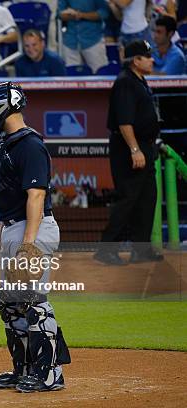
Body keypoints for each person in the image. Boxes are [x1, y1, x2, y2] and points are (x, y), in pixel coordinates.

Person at [0, 82, 71, 392]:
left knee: (33, 300)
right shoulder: (6, 142)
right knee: (9, 302)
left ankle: (50, 373)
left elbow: (35, 197)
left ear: (7, 108)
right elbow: (9, 199)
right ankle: (25, 369)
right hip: (14, 227)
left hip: (35, 227)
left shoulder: (30, 144)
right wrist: (5, 236)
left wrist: (28, 244)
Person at [94, 40, 164, 265]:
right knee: (128, 199)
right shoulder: (125, 82)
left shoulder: (139, 80)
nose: (152, 59)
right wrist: (135, 150)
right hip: (128, 148)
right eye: (147, 56)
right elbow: (124, 122)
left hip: (145, 145)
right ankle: (106, 250)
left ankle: (140, 249)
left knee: (147, 198)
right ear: (136, 60)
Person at [59, 0, 110, 74]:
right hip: (71, 41)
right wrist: (71, 14)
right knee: (71, 77)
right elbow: (60, 13)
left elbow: (104, 13)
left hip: (93, 39)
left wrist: (82, 15)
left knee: (100, 74)